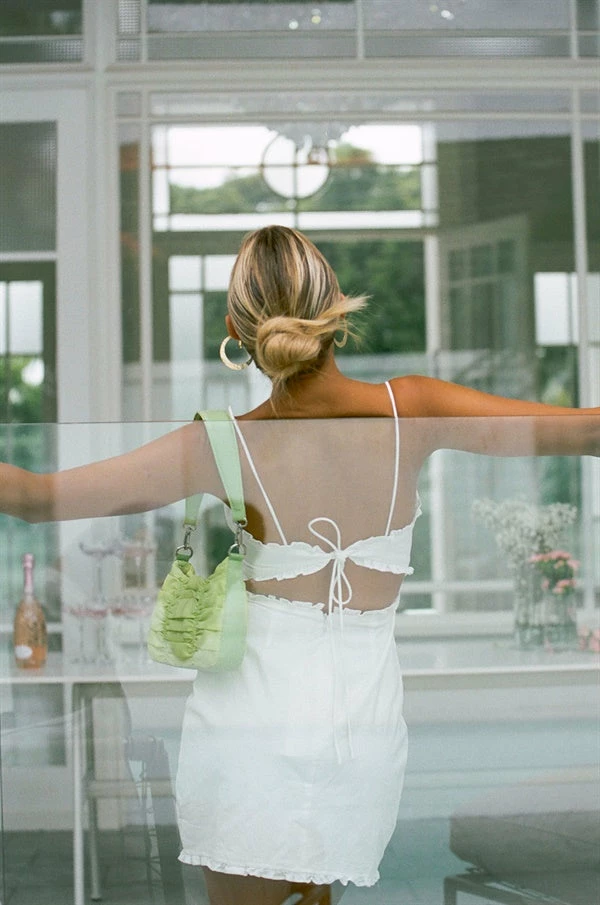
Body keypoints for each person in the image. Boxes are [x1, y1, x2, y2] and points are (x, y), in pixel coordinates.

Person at [1, 225, 598, 905]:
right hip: (361, 735)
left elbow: (37, 498)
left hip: (246, 733)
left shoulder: (218, 444)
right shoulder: (413, 410)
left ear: (236, 331)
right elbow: (589, 429)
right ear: (335, 311)